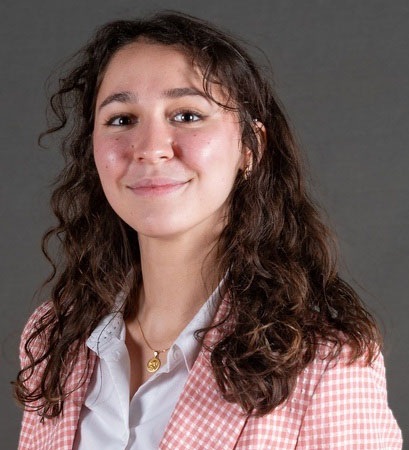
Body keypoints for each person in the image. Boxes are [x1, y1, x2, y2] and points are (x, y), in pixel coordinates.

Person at [14, 11, 402, 450]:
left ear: (251, 148)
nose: (150, 149)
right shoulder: (54, 336)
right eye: (121, 119)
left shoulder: (327, 364)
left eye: (187, 115)